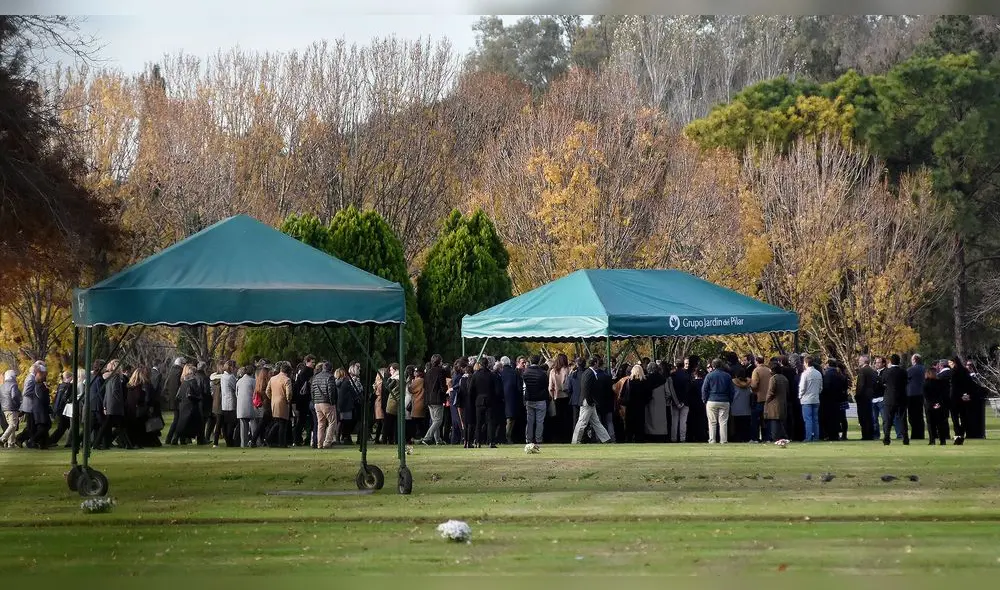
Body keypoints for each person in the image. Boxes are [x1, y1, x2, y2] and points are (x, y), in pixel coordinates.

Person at [96, 360, 132, 450]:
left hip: (110, 404)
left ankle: (127, 445)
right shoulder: (115, 377)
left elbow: (106, 393)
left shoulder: (109, 377)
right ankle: (97, 443)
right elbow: (115, 392)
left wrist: (105, 405)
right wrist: (121, 403)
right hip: (115, 405)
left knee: (117, 426)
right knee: (116, 426)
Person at [702, 358, 735, 444]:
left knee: (712, 422)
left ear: (713, 366)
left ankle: (712, 439)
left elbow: (704, 389)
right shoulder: (727, 376)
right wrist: (730, 400)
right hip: (724, 400)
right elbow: (732, 390)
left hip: (712, 400)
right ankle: (723, 440)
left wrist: (704, 399)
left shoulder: (709, 376)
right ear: (721, 365)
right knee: (723, 422)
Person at [881, 354, 909, 446]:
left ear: (890, 361)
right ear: (899, 361)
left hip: (889, 398)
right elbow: (906, 382)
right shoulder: (903, 372)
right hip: (901, 398)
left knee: (888, 419)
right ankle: (905, 439)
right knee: (902, 419)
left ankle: (886, 438)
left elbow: (883, 382)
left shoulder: (886, 372)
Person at [522, 355, 548, 449]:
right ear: (539, 361)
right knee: (540, 421)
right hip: (540, 399)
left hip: (529, 399)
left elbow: (524, 387)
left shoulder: (525, 373)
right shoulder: (542, 373)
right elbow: (546, 385)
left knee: (530, 421)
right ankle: (538, 439)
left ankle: (528, 439)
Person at [946, 357, 974, 445]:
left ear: (954, 363)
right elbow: (970, 384)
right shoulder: (965, 371)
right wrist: (966, 394)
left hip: (954, 397)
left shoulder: (953, 372)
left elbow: (953, 386)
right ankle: (961, 434)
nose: (949, 365)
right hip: (964, 397)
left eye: (950, 363)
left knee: (955, 418)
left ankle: (958, 435)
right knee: (964, 417)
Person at [470, 360, 497, 448]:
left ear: (480, 365)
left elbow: (471, 390)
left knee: (478, 422)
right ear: (488, 365)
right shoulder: (492, 375)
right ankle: (491, 442)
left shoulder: (475, 375)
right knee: (490, 422)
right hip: (489, 400)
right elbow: (495, 389)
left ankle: (477, 441)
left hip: (478, 400)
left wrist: (474, 398)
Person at [421, 355, 447, 446]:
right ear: (439, 361)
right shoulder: (441, 371)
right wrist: (444, 392)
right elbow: (442, 385)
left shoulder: (428, 372)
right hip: (437, 398)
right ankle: (427, 437)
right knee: (438, 420)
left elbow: (425, 386)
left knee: (434, 420)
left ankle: (438, 440)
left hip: (429, 398)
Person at [267, 362, 293, 448]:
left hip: (274, 402)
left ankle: (271, 439)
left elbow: (267, 391)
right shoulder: (287, 380)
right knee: (283, 423)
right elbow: (289, 393)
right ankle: (281, 442)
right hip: (283, 402)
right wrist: (288, 400)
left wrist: (272, 398)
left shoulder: (272, 378)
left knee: (277, 422)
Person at [547, 353, 571, 443]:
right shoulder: (568, 370)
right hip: (566, 396)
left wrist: (552, 396)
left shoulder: (553, 371)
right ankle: (566, 437)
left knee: (557, 418)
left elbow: (550, 387)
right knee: (566, 418)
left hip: (557, 397)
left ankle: (557, 437)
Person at [923, 366, 949, 445]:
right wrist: (939, 404)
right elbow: (944, 395)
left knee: (930, 424)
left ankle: (932, 440)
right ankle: (942, 440)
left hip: (930, 406)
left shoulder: (925, 383)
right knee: (940, 424)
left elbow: (926, 396)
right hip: (940, 405)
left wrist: (933, 404)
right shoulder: (940, 383)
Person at [798, 355, 822, 442]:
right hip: (816, 398)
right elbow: (820, 387)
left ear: (807, 363)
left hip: (806, 399)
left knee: (808, 419)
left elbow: (802, 388)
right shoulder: (818, 373)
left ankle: (808, 437)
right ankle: (816, 436)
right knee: (815, 419)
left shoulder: (805, 374)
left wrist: (800, 396)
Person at [644, 362, 670, 442]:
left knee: (650, 419)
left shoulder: (646, 379)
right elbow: (668, 393)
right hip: (661, 404)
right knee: (660, 421)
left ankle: (650, 435)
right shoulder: (663, 379)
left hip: (649, 403)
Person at [48, 371, 74, 447]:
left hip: (58, 408)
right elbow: (65, 399)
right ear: (70, 377)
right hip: (63, 409)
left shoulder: (61, 386)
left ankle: (53, 441)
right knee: (63, 427)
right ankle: (50, 441)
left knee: (64, 427)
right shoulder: (68, 386)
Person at [499, 356, 522, 444]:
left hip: (501, 399)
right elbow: (519, 388)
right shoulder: (515, 373)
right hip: (512, 399)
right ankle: (508, 437)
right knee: (511, 419)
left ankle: (502, 437)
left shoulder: (500, 373)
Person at [162, 357, 185, 445]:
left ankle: (176, 439)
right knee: (177, 420)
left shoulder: (171, 372)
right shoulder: (179, 372)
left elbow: (166, 386)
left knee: (178, 419)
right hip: (178, 400)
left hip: (172, 399)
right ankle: (172, 438)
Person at [764, 358, 788, 441]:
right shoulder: (784, 378)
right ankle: (783, 436)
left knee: (774, 422)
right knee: (780, 423)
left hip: (774, 404)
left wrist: (767, 401)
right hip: (783, 403)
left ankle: (775, 438)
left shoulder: (773, 379)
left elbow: (771, 392)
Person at [855, 355, 877, 440]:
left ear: (865, 361)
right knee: (869, 416)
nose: (859, 361)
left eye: (860, 360)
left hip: (863, 397)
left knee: (863, 416)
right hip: (870, 396)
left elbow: (861, 385)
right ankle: (870, 434)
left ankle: (865, 435)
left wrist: (858, 395)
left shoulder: (862, 371)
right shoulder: (872, 370)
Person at [749, 356, 771, 442]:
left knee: (755, 420)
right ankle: (767, 437)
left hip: (759, 398)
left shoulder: (756, 370)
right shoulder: (769, 370)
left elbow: (754, 385)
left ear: (756, 362)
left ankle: (755, 438)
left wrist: (751, 387)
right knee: (766, 420)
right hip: (768, 398)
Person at [235, 365, 257, 448]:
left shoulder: (239, 381)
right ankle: (255, 442)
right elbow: (255, 393)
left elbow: (236, 394)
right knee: (253, 424)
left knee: (243, 427)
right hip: (251, 404)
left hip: (241, 406)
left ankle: (243, 443)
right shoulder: (253, 381)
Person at [906, 354, 926, 440]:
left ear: (914, 360)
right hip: (922, 395)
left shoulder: (911, 370)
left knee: (912, 416)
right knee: (920, 415)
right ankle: (921, 434)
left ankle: (915, 434)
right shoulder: (925, 369)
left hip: (912, 395)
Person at [730, 369, 753, 443]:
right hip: (746, 406)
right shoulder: (749, 383)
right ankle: (746, 438)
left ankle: (738, 438)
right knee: (746, 425)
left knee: (737, 425)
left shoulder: (733, 382)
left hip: (736, 406)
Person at [1, 369, 22, 448]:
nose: (16, 377)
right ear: (12, 376)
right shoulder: (13, 385)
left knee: (11, 425)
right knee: (13, 425)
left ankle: (11, 443)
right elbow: (14, 396)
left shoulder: (2, 386)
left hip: (4, 409)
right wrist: (19, 405)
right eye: (15, 376)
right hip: (12, 408)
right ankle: (3, 438)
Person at [334, 367, 355, 445]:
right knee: (347, 423)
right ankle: (346, 438)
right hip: (346, 405)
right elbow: (352, 392)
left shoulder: (335, 382)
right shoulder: (346, 382)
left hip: (338, 405)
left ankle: (337, 438)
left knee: (340, 422)